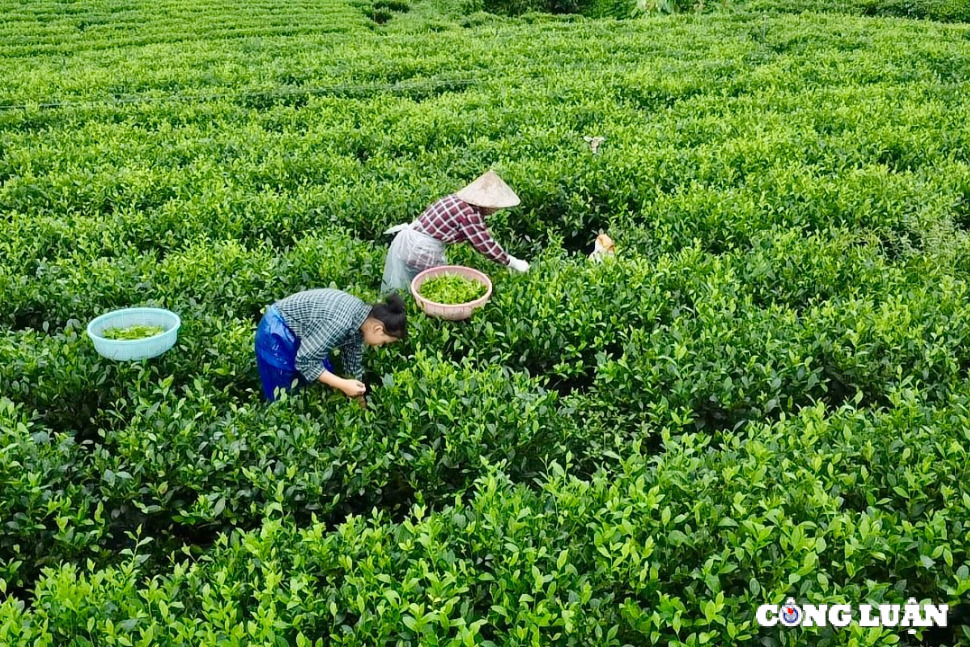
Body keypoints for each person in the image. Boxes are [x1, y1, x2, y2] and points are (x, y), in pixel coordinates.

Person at [381, 170, 531, 294]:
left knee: (416, 284)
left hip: (413, 242)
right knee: (434, 287)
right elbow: (485, 245)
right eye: (495, 206)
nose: (494, 210)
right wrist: (512, 262)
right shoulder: (469, 214)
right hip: (422, 249)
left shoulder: (458, 200)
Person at [255, 288, 406, 403]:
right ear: (378, 329)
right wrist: (343, 384)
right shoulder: (341, 323)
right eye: (384, 342)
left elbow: (352, 364)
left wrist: (361, 400)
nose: (380, 345)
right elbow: (305, 361)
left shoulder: (361, 320)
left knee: (318, 376)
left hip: (299, 332)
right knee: (283, 392)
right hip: (277, 329)